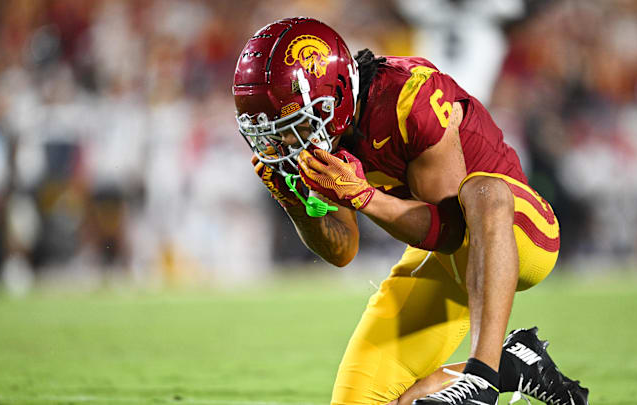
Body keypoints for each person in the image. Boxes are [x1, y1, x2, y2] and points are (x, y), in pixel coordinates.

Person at [233, 17, 588, 405]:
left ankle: (483, 377)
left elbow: (454, 229)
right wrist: (295, 202)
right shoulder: (325, 131)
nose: (285, 141)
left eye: (294, 125)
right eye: (273, 131)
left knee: (483, 191)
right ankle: (513, 365)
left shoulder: (408, 98)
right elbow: (342, 250)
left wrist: (364, 196)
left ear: (333, 100)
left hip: (518, 235)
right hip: (442, 257)